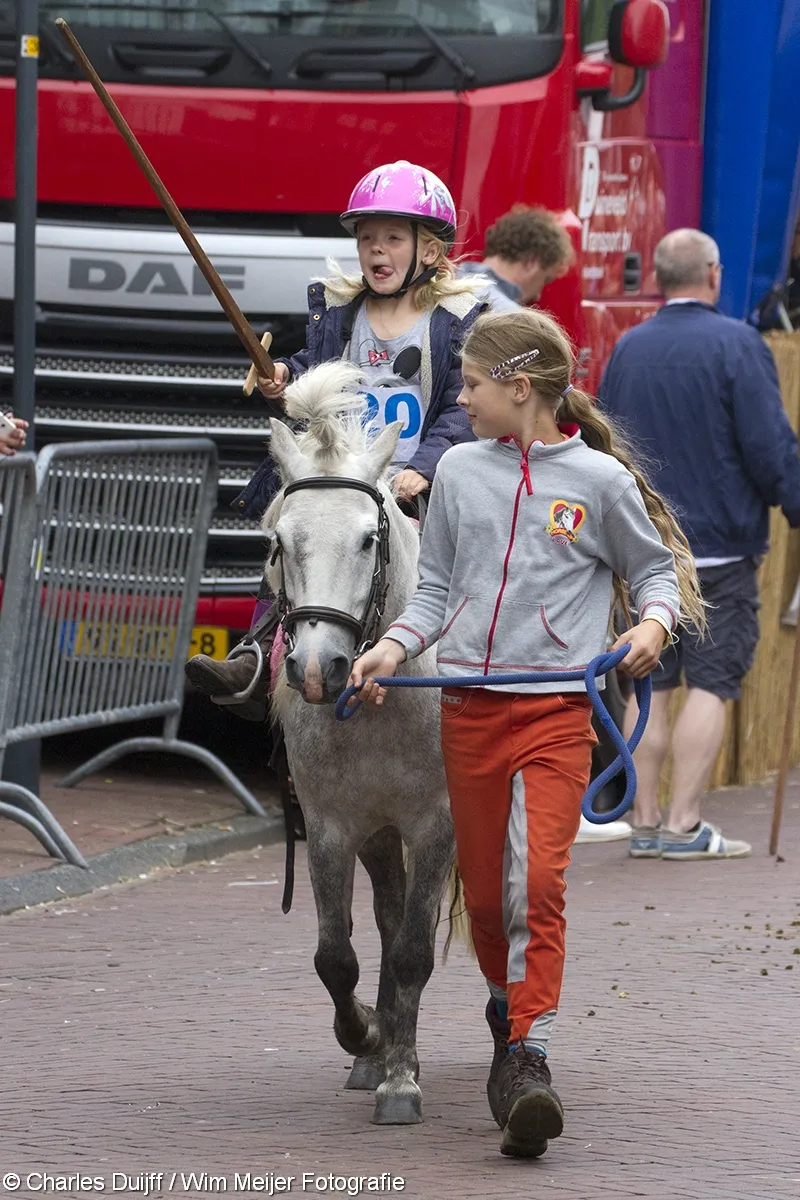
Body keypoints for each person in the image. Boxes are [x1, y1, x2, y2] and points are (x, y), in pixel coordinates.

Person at [348, 308, 704, 1159]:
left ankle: (525, 1053)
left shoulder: (598, 482)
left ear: (520, 388)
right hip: (467, 709)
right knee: (480, 898)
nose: (460, 398)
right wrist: (389, 648)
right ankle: (513, 1012)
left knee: (535, 882)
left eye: (470, 383)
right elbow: (433, 594)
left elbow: (654, 570)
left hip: (552, 711)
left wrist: (652, 626)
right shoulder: (461, 474)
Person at [186, 160, 485, 713]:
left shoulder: (459, 318)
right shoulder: (341, 313)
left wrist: (429, 465)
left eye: (393, 238)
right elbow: (310, 372)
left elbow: (462, 406)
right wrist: (284, 380)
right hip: (341, 481)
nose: (377, 250)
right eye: (367, 238)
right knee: (291, 538)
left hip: (417, 488)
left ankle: (482, 666)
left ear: (431, 251)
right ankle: (258, 655)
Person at [599, 227, 800, 860]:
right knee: (712, 683)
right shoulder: (738, 344)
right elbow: (769, 448)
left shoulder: (628, 348)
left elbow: (608, 445)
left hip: (644, 550)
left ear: (658, 276)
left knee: (645, 684)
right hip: (720, 549)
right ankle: (686, 824)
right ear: (712, 274)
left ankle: (647, 821)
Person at [458, 204, 574, 312]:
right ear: (531, 262)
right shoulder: (509, 316)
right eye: (545, 279)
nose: (538, 296)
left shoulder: (447, 279)